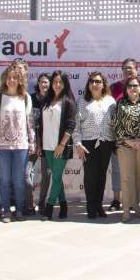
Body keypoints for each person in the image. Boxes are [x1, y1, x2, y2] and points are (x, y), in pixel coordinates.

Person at [0, 65, 35, 223]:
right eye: (9, 78)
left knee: (19, 180)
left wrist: (32, 142)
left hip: (21, 146)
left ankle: (20, 210)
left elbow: (30, 123)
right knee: (4, 179)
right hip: (2, 147)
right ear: (4, 80)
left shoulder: (26, 97)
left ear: (20, 80)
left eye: (15, 78)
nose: (12, 80)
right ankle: (6, 210)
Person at [73, 72, 116, 219]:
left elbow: (115, 123)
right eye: (92, 81)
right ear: (88, 84)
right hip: (88, 144)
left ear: (103, 84)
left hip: (106, 142)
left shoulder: (111, 101)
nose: (94, 84)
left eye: (98, 81)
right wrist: (78, 144)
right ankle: (90, 206)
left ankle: (99, 206)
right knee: (90, 176)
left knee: (101, 176)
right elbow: (76, 126)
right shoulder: (82, 101)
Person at [112, 76, 140, 222]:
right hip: (125, 145)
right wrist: (128, 141)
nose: (133, 88)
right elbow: (116, 126)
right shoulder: (120, 104)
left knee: (139, 176)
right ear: (126, 89)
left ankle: (136, 205)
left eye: (135, 85)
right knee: (126, 177)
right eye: (130, 86)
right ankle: (126, 209)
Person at [36, 70, 76, 220]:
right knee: (57, 178)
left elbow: (71, 126)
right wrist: (39, 145)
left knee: (56, 176)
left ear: (65, 84)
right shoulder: (46, 101)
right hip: (46, 146)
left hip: (61, 146)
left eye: (60, 82)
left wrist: (62, 144)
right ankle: (64, 205)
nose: (57, 85)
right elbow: (40, 125)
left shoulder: (68, 102)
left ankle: (49, 207)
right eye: (55, 82)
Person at [32, 72, 52, 214]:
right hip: (31, 141)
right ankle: (28, 203)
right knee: (26, 174)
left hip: (48, 142)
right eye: (41, 82)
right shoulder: (30, 98)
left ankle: (42, 202)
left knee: (46, 174)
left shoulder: (53, 100)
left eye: (46, 82)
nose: (44, 84)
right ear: (38, 84)